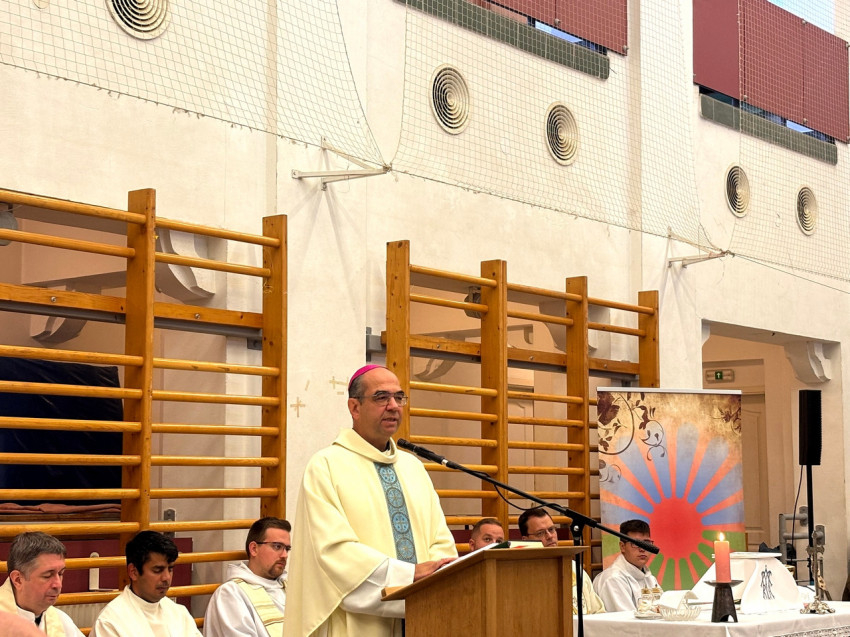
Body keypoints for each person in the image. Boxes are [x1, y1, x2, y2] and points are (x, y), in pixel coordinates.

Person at [286, 364, 457, 637]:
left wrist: (434, 574)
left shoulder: (413, 467)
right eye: (381, 397)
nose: (393, 406)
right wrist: (408, 575)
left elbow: (440, 538)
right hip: (359, 624)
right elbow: (333, 551)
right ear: (355, 407)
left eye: (398, 397)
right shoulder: (326, 466)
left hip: (424, 614)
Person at [90, 530, 201, 636]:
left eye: (170, 569)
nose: (166, 577)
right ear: (133, 572)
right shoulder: (110, 623)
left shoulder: (180, 614)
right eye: (157, 570)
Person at [204, 517, 291, 637]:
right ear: (254, 549)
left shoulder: (289, 589)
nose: (285, 555)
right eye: (277, 546)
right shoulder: (231, 594)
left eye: (287, 549)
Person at [519, 507, 605, 615]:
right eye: (540, 533)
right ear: (525, 540)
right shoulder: (522, 575)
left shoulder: (574, 568)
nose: (549, 536)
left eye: (551, 529)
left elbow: (598, 612)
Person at [0, 531, 84, 636]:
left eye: (60, 574)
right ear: (18, 580)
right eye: (47, 576)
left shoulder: (61, 621)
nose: (58, 585)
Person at [592, 519, 660, 611]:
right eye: (636, 543)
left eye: (646, 543)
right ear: (622, 546)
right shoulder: (613, 579)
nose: (642, 549)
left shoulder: (650, 578)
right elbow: (627, 619)